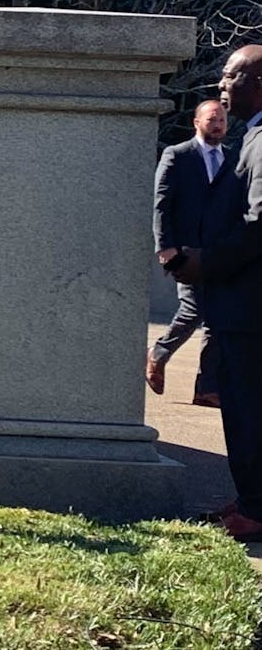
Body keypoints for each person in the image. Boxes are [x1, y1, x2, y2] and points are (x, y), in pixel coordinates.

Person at [172, 44, 262, 540]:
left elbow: (259, 223)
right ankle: (251, 498)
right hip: (241, 303)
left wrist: (206, 262)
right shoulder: (250, 136)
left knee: (248, 408)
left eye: (231, 76)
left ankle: (255, 510)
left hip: (249, 308)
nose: (222, 85)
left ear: (257, 83)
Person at [148, 98, 231, 404]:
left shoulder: (232, 158)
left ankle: (207, 388)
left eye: (222, 119)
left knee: (218, 317)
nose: (218, 124)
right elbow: (161, 203)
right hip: (184, 250)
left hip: (220, 252)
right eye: (212, 119)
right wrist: (165, 246)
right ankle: (159, 352)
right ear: (197, 122)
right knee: (194, 309)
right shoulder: (177, 155)